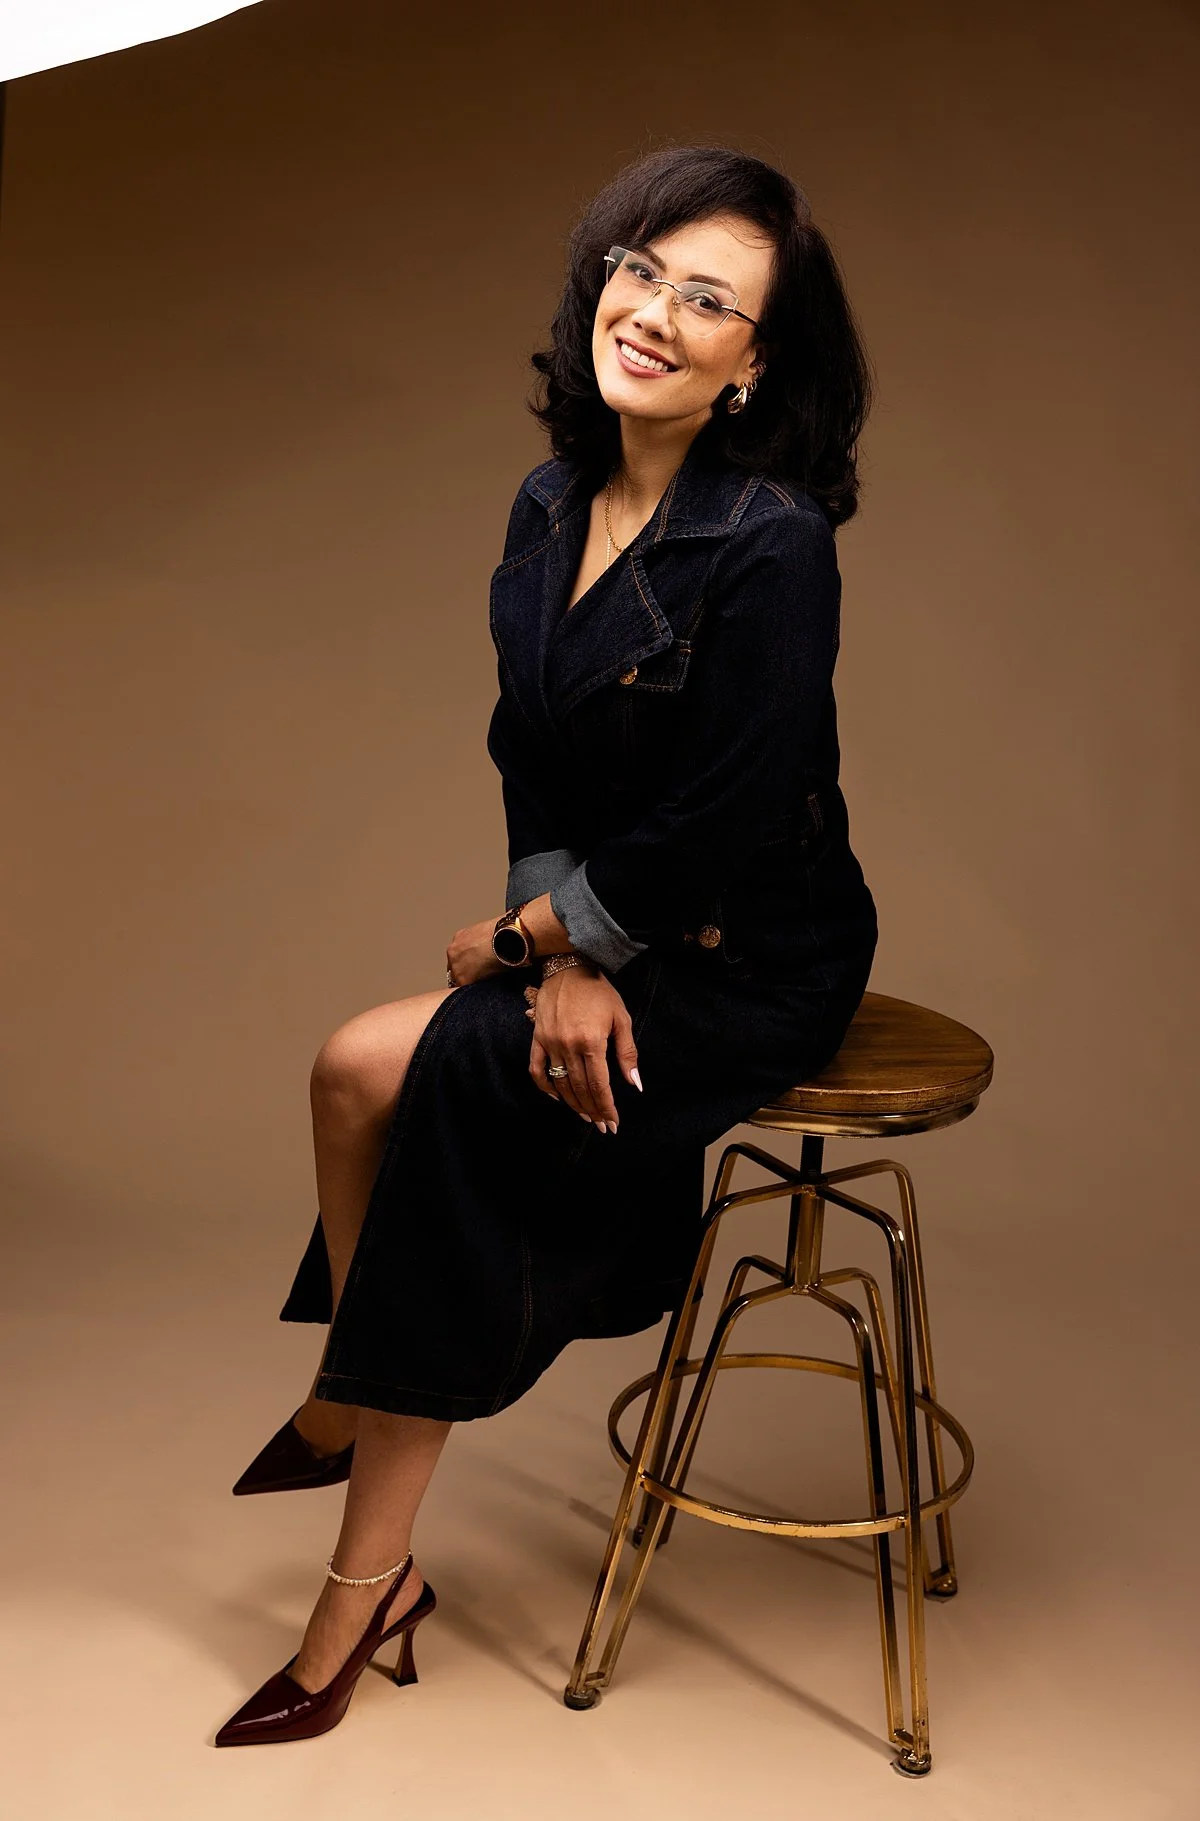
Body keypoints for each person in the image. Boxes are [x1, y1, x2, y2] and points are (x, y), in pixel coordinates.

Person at [216, 142, 879, 1747]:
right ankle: (354, 1391)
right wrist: (559, 949)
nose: (652, 312)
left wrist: (542, 938)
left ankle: (363, 1587)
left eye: (707, 299)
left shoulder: (772, 539)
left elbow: (727, 812)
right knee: (351, 1069)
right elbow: (534, 751)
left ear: (753, 362)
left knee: (441, 1087)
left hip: (751, 953)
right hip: (613, 927)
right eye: (638, 269)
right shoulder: (552, 500)